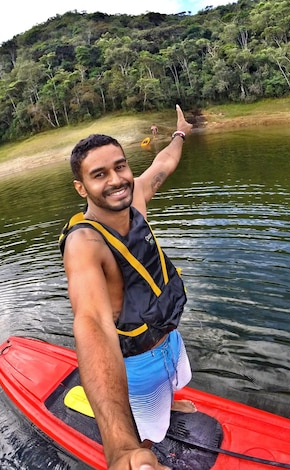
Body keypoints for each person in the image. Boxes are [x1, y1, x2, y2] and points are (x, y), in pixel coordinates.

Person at [59, 105, 194, 470]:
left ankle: (168, 403)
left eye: (120, 166)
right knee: (150, 429)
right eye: (99, 174)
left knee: (175, 387)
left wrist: (180, 133)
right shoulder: (84, 245)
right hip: (137, 362)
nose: (116, 179)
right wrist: (120, 449)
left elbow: (163, 164)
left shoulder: (135, 201)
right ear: (81, 187)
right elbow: (93, 326)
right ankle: (146, 440)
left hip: (169, 339)